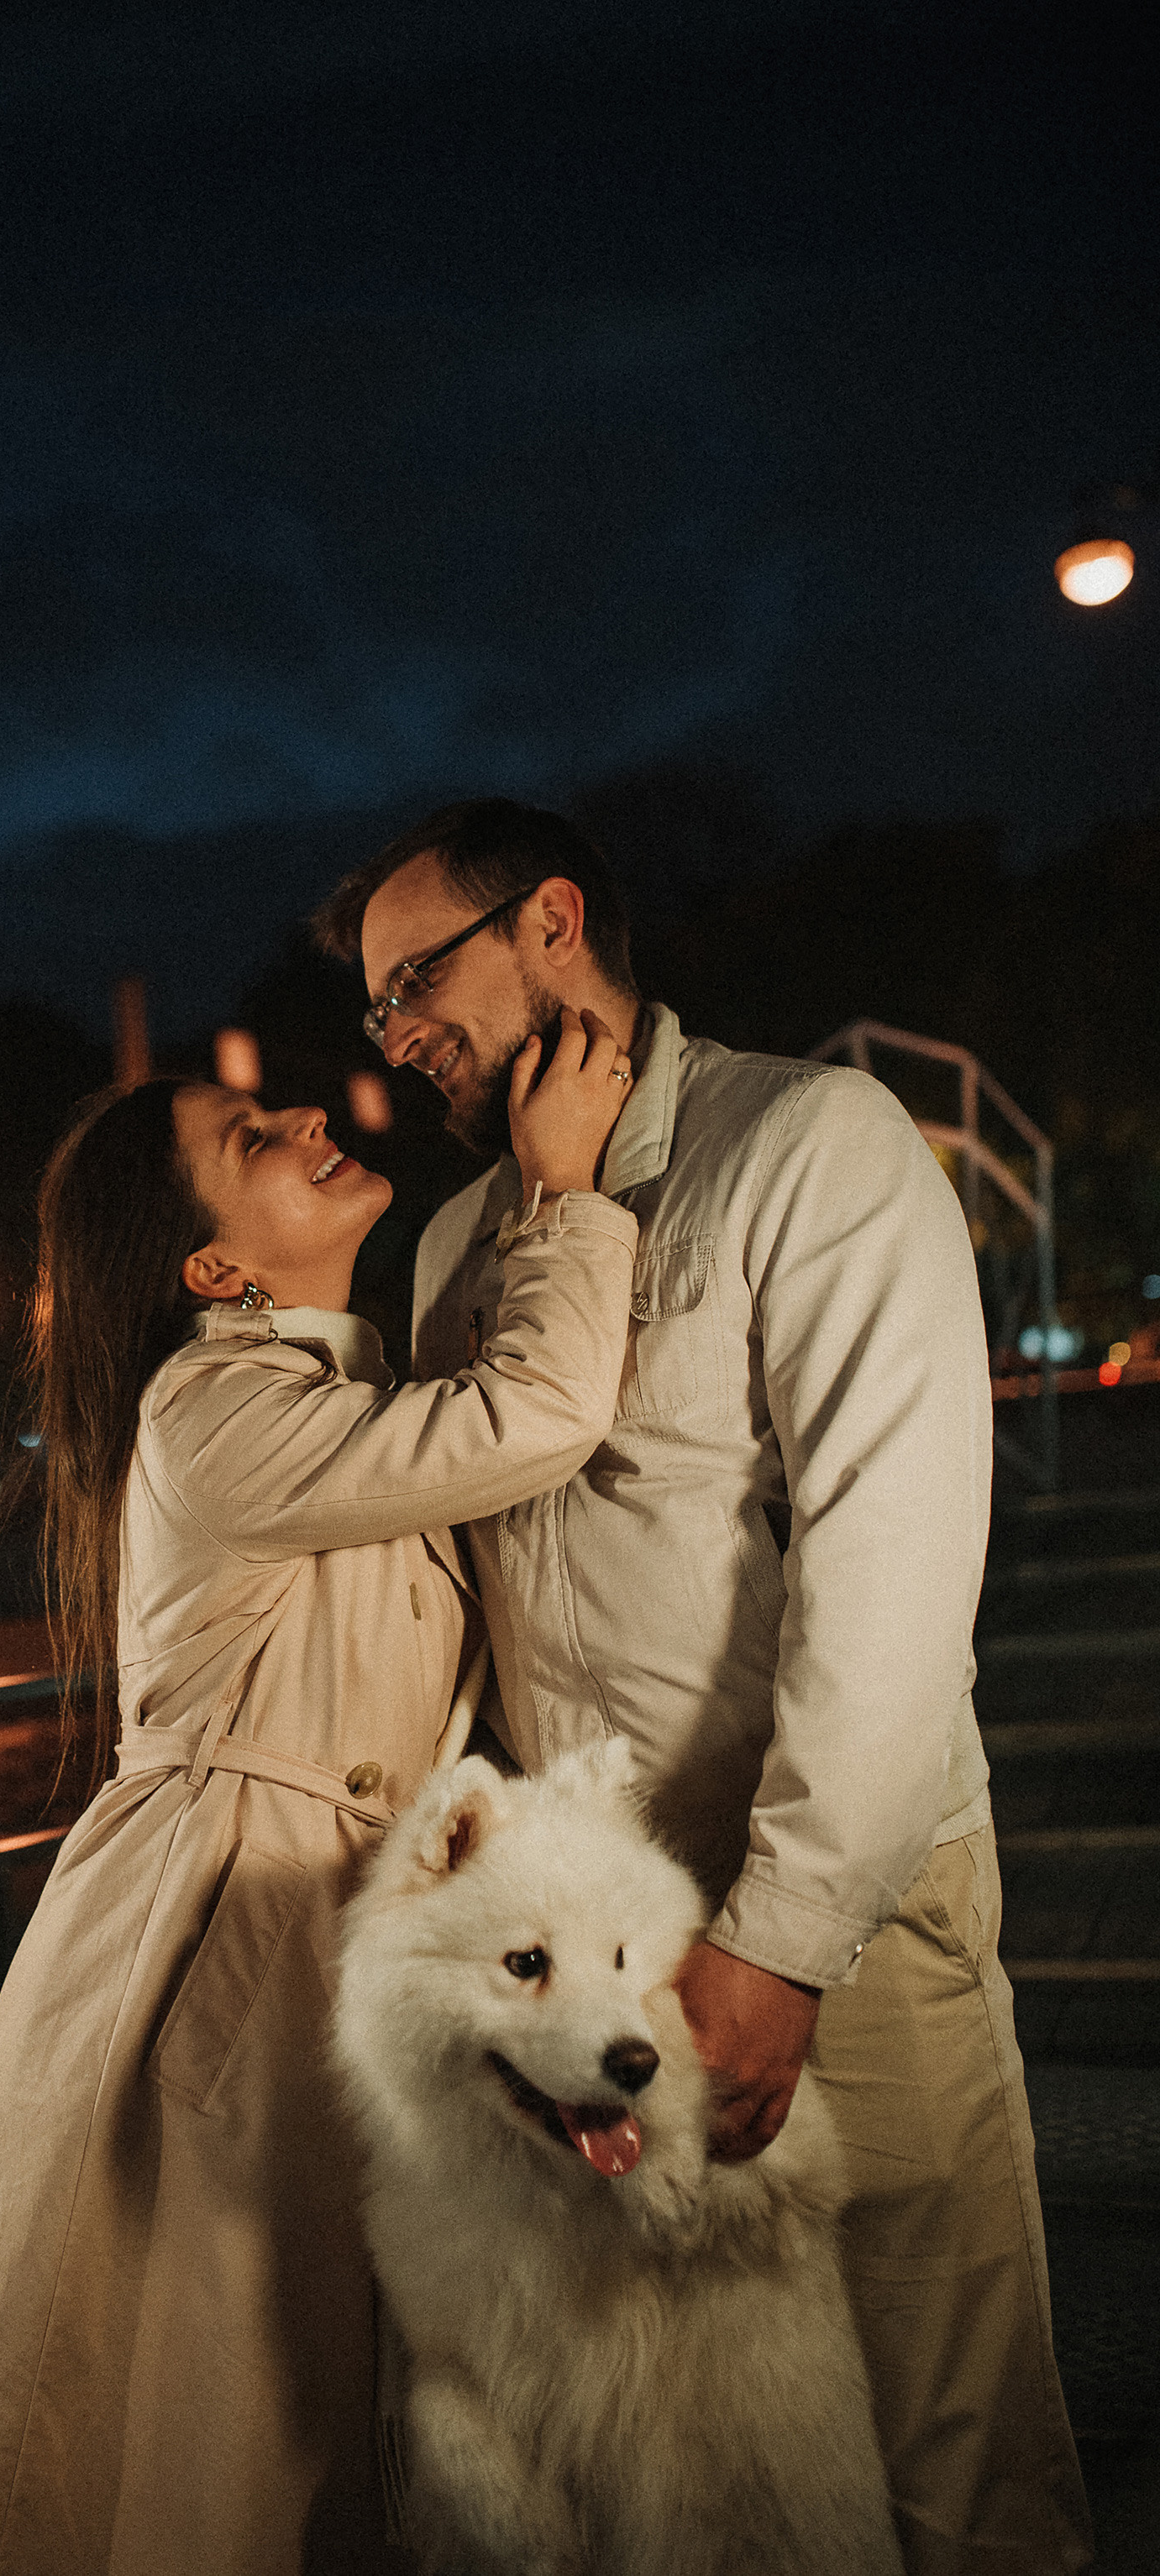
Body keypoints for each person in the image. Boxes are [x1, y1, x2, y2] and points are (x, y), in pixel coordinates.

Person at [314, 795, 1094, 2576]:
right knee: (718, 2469)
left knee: (946, 2431)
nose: (396, 1034)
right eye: (373, 1007)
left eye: (416, 980)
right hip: (601, 1956)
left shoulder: (809, 1139)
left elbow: (895, 1560)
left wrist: (784, 1939)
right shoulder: (455, 1243)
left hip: (839, 1914)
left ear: (553, 922)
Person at [0, 1009, 638, 2576]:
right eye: (249, 1140)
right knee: (184, 2400)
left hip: (300, 1914)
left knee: (264, 2393)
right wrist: (565, 1193)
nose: (304, 1122)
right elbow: (536, 1415)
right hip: (223, 1928)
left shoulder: (323, 1393)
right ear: (214, 1265)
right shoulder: (214, 1406)